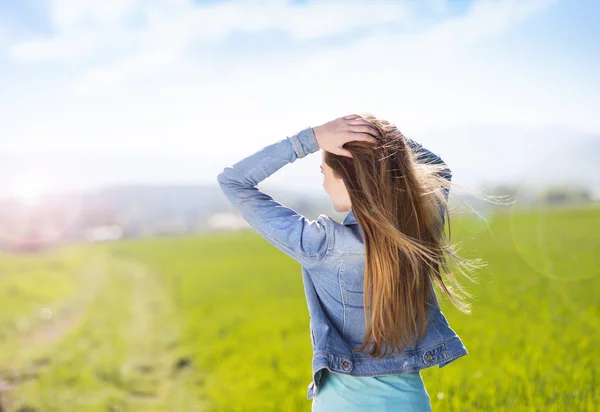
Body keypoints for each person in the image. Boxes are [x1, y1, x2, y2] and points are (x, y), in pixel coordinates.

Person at [216, 113, 481, 411]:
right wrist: (379, 136)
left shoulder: (320, 244)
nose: (324, 185)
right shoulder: (414, 229)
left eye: (324, 173)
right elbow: (439, 170)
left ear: (346, 176)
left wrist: (312, 138)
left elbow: (233, 181)